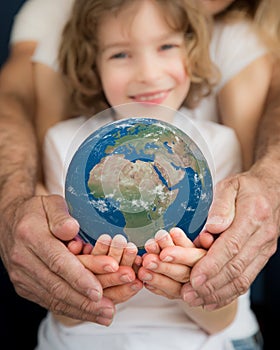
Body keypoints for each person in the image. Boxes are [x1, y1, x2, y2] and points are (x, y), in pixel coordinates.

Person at [0, 0, 278, 335]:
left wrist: (192, 285)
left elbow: (224, 319)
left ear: (192, 52)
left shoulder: (217, 148)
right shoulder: (65, 146)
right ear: (93, 64)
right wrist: (91, 289)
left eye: (167, 46)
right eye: (120, 54)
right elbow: (64, 312)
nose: (147, 73)